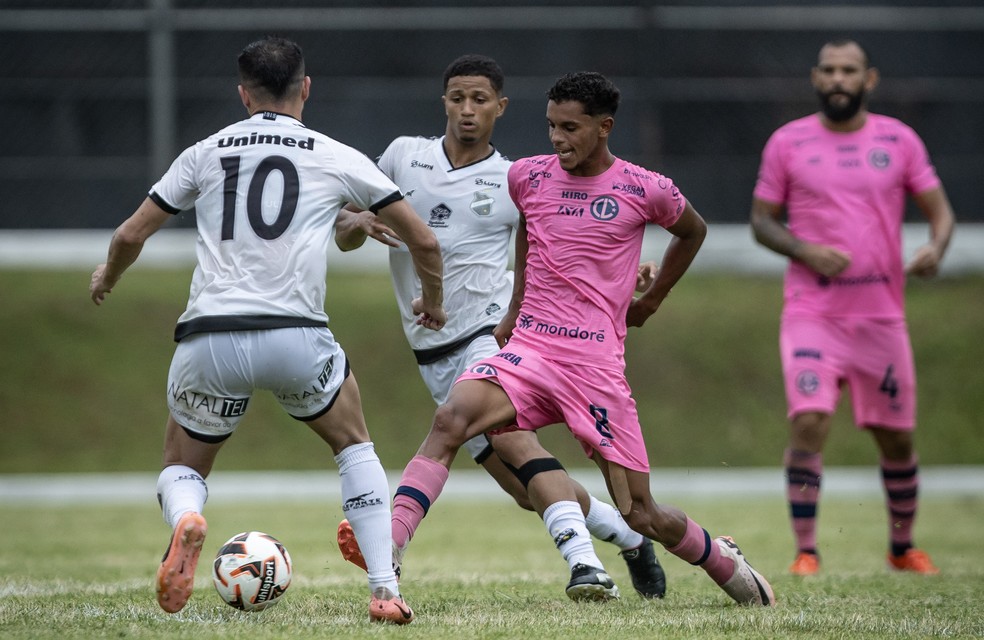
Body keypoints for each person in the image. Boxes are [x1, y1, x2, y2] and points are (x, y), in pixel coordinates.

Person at [339, 71, 775, 608]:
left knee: (641, 512)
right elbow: (529, 236)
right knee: (452, 420)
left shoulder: (645, 187)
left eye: (570, 128)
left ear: (604, 127)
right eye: (550, 126)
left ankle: (723, 561)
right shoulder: (527, 177)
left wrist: (650, 300)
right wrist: (515, 315)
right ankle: (389, 546)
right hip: (530, 351)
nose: (557, 139)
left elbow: (693, 230)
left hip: (594, 367)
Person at [89, 36, 447, 624]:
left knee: (183, 464)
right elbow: (424, 240)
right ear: (305, 87)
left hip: (210, 335)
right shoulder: (334, 154)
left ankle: (185, 520)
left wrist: (109, 273)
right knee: (353, 444)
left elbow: (131, 234)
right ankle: (384, 590)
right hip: (296, 336)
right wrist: (431, 301)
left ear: (242, 93)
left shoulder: (205, 152)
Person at [750, 39, 955, 576]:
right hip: (812, 312)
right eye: (830, 70)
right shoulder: (788, 142)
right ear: (816, 79)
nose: (839, 78)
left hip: (881, 316)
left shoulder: (899, 140)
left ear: (869, 80)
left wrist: (936, 248)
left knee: (897, 436)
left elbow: (940, 213)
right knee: (810, 419)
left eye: (850, 71)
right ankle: (807, 551)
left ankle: (902, 547)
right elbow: (762, 221)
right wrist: (803, 248)